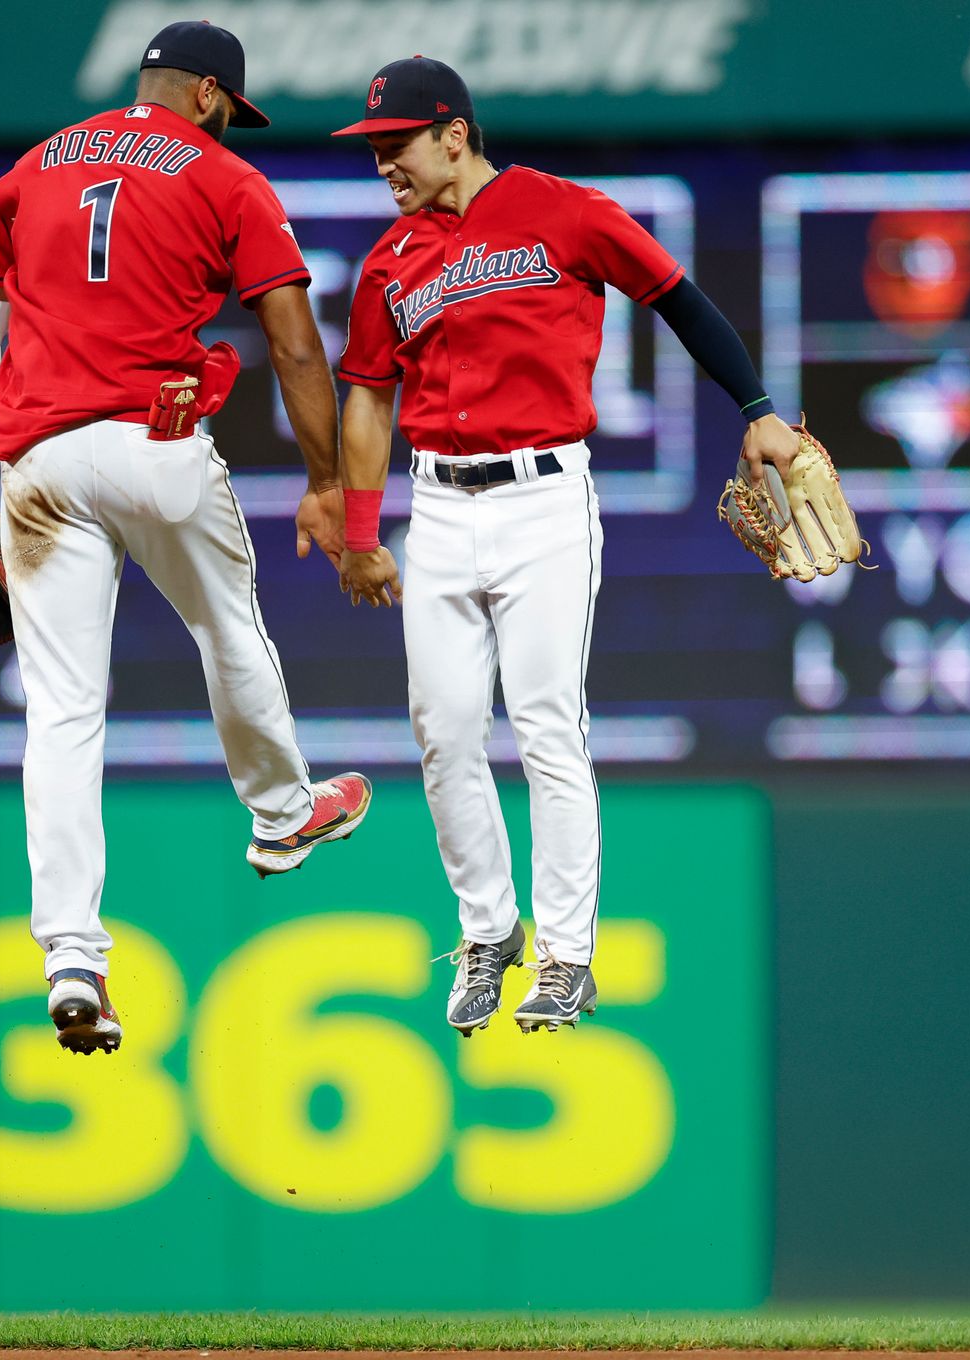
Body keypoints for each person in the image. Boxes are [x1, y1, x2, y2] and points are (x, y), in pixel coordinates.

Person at [330, 58, 802, 1034]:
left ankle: (568, 956)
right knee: (445, 730)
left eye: (397, 143)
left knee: (547, 724)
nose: (384, 163)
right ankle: (488, 930)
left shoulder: (565, 211)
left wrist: (756, 408)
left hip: (544, 498)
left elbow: (679, 298)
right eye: (375, 148)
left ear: (454, 133)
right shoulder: (388, 265)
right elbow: (370, 400)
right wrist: (365, 529)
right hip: (441, 509)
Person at [0, 19, 371, 1055]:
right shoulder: (225, 177)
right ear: (213, 97)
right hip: (156, 440)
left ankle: (70, 955)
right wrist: (326, 480)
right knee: (228, 627)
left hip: (38, 464)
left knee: (62, 711)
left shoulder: (33, 167)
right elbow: (294, 344)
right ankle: (279, 812)